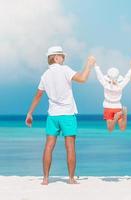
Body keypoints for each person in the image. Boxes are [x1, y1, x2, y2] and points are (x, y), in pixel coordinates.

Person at [25, 46, 96, 185]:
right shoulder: (65, 70)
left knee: (49, 146)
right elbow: (82, 79)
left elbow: (38, 95)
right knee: (70, 147)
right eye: (62, 56)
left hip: (52, 116)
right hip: (67, 115)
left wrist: (30, 113)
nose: (64, 58)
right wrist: (89, 65)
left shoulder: (45, 75)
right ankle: (70, 179)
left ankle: (45, 179)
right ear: (56, 58)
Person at [94, 62, 131, 132]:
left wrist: (95, 65)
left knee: (110, 129)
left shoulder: (105, 84)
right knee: (122, 128)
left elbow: (99, 76)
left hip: (108, 106)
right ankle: (124, 116)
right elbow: (127, 78)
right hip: (118, 106)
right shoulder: (120, 85)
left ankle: (115, 119)